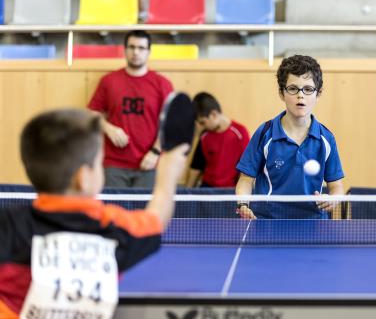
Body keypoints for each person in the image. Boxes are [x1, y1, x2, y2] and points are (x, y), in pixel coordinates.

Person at [0, 109, 190, 317]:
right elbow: (157, 219)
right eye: (100, 164)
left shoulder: (7, 225)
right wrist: (168, 176)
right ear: (84, 177)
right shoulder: (113, 227)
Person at [235, 55, 345, 219]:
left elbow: (336, 186)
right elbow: (245, 179)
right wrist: (243, 204)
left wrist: (333, 200)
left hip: (313, 223)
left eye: (308, 89)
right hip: (268, 221)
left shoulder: (326, 138)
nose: (300, 96)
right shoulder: (265, 133)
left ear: (318, 94)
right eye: (293, 88)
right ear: (282, 93)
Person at [88, 30, 173, 188]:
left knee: (144, 212)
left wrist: (155, 152)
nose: (136, 52)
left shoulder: (162, 84)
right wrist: (108, 128)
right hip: (114, 165)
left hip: (149, 164)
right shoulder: (109, 81)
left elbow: (171, 123)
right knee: (114, 211)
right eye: (132, 47)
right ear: (125, 49)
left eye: (141, 48)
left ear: (149, 51)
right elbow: (92, 113)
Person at [185, 92, 250, 188]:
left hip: (230, 190)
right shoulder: (204, 135)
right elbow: (196, 168)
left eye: (203, 122)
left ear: (214, 114)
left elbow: (246, 166)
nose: (201, 126)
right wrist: (187, 195)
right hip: (206, 188)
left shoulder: (240, 132)